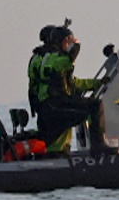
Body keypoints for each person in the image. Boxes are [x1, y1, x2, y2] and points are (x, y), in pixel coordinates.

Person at [26, 22, 100, 153]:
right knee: (94, 106)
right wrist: (76, 45)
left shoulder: (40, 59)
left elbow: (71, 82)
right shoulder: (51, 59)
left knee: (52, 139)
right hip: (54, 104)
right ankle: (99, 147)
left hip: (44, 106)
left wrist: (96, 84)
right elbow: (68, 63)